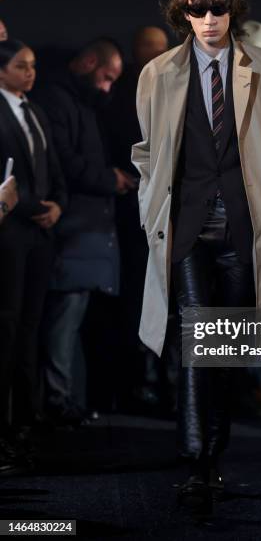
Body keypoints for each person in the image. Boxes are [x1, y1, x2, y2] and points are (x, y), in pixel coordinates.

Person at [132, 0, 261, 514]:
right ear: (182, 12)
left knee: (224, 350)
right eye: (197, 9)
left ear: (234, 9)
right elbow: (147, 153)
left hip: (245, 228)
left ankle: (213, 456)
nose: (208, 19)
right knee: (199, 343)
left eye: (218, 8)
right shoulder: (158, 73)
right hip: (184, 228)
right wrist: (148, 207)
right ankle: (197, 461)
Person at [34, 38, 135, 425]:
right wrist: (108, 179)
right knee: (62, 321)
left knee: (72, 322)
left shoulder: (83, 105)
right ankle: (57, 401)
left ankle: (64, 398)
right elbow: (64, 160)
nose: (108, 87)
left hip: (86, 234)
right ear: (90, 62)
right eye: (106, 77)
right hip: (72, 233)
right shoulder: (58, 100)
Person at [0, 39, 67, 472]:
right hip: (8, 234)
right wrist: (29, 209)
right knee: (5, 329)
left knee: (30, 329)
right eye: (22, 66)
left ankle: (25, 424)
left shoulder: (36, 111)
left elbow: (55, 170)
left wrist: (57, 204)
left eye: (34, 66)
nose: (31, 73)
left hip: (41, 237)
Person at [103, 26, 172, 413]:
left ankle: (164, 383)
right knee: (138, 296)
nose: (158, 54)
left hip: (169, 211)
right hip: (135, 211)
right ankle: (138, 382)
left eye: (163, 48)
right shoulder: (122, 96)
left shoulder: (175, 88)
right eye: (150, 47)